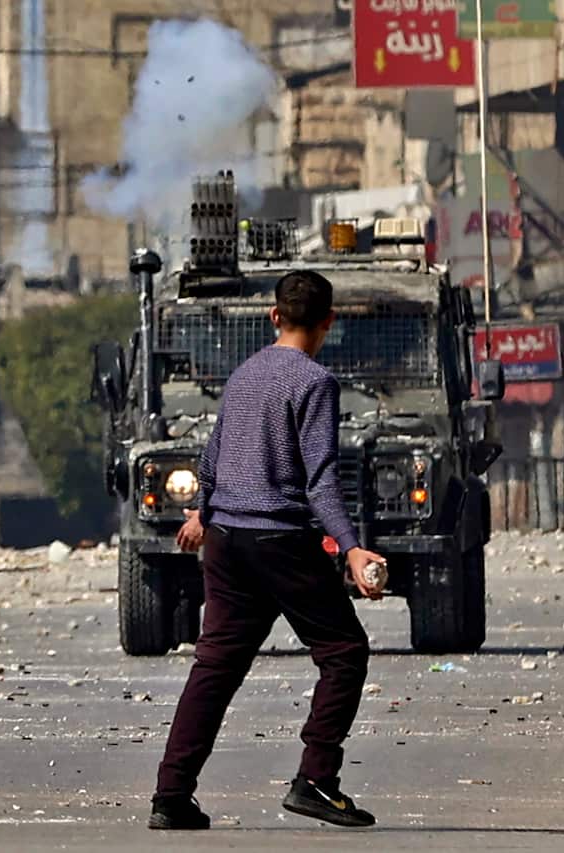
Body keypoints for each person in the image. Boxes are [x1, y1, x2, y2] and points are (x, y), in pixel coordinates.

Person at [149, 269, 387, 831]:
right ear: (329, 321)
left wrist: (205, 516)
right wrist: (352, 549)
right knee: (344, 650)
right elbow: (321, 480)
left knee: (214, 667)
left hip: (227, 543)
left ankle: (171, 795)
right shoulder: (316, 383)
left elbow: (210, 461)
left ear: (274, 316)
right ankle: (316, 781)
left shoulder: (243, 375)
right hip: (280, 540)